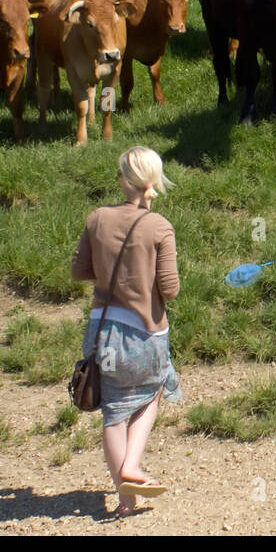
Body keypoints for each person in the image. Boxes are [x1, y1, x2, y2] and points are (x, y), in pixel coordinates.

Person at [72, 146, 181, 517]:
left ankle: (124, 498)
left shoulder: (97, 218)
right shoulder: (160, 226)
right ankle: (131, 467)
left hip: (102, 332)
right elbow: (170, 289)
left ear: (122, 180)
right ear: (153, 183)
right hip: (145, 333)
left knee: (114, 412)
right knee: (154, 391)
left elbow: (79, 271)